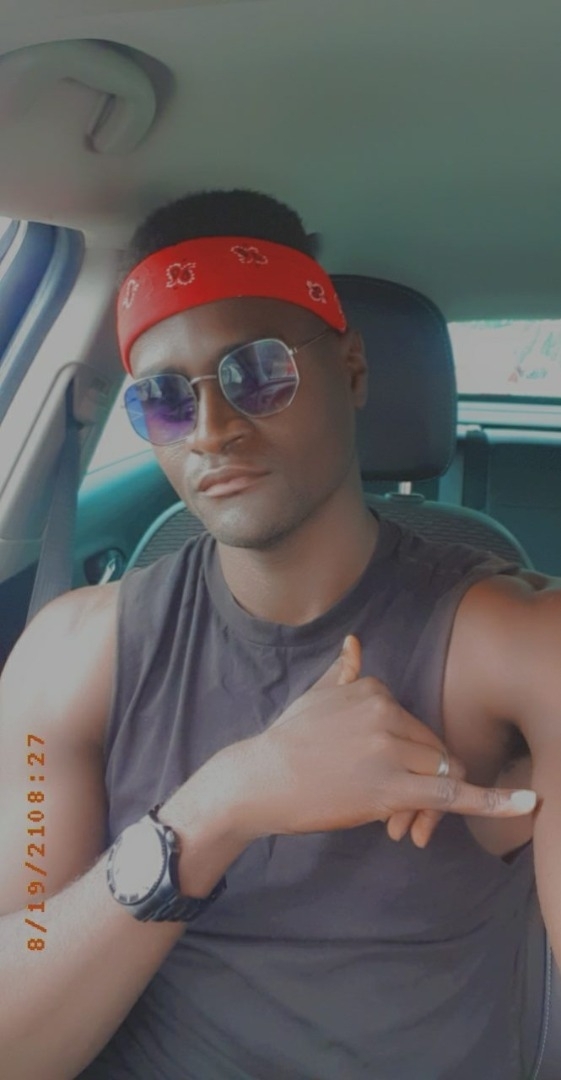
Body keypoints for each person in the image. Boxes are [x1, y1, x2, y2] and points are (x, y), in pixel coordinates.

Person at [0, 188, 558, 1080]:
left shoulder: (520, 648)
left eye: (257, 372)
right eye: (164, 401)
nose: (212, 430)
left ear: (352, 369)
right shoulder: (65, 660)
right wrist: (223, 804)